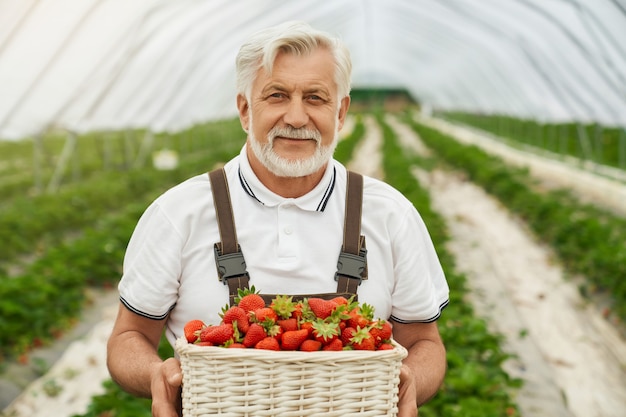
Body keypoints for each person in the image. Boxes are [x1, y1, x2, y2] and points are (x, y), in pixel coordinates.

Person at [106, 20, 449, 417]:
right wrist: (155, 374)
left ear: (340, 112)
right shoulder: (178, 214)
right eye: (277, 95)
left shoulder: (390, 215)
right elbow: (128, 336)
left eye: (316, 98)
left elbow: (425, 341)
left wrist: (410, 382)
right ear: (245, 110)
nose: (297, 117)